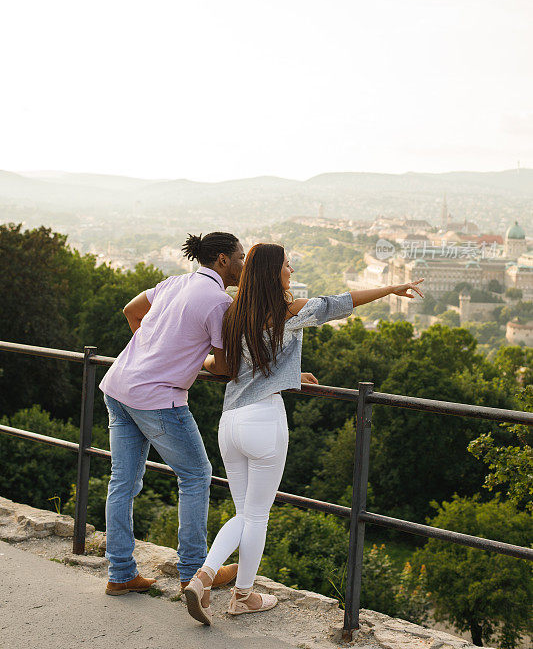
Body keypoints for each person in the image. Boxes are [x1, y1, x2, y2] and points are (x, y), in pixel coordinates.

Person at [183, 243, 423, 624]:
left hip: (230, 422)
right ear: (273, 273)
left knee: (243, 512)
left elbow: (232, 365)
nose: (291, 269)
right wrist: (390, 289)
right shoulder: (288, 313)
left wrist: (289, 376)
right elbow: (339, 304)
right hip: (264, 423)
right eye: (287, 264)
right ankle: (232, 591)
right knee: (256, 516)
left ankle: (208, 579)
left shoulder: (232, 314)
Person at [99, 231, 246, 595]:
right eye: (241, 257)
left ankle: (120, 574)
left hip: (119, 386)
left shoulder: (175, 283)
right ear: (223, 260)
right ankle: (193, 574)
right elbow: (224, 367)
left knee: (123, 482)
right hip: (157, 399)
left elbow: (131, 311)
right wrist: (183, 361)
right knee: (197, 476)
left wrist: (153, 350)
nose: (244, 263)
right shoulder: (219, 302)